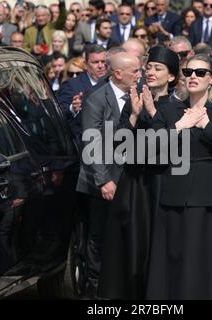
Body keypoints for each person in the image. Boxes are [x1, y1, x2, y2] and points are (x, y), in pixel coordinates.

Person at [146, 53, 212, 299]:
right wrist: (181, 125)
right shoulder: (169, 109)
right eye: (188, 72)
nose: (193, 77)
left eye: (200, 73)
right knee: (177, 261)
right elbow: (147, 148)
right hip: (176, 198)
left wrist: (207, 127)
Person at [98, 46, 179, 300]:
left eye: (159, 68)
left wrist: (153, 113)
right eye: (149, 67)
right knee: (130, 247)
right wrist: (133, 115)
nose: (151, 72)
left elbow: (170, 148)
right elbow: (119, 147)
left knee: (156, 248)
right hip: (134, 186)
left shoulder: (176, 107)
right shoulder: (134, 101)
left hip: (160, 186)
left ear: (172, 76)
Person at [76, 52, 142, 299]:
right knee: (99, 237)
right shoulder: (97, 99)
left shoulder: (139, 95)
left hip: (129, 177)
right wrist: (104, 180)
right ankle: (95, 289)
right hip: (101, 180)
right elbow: (92, 144)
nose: (140, 74)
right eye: (135, 71)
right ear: (118, 74)